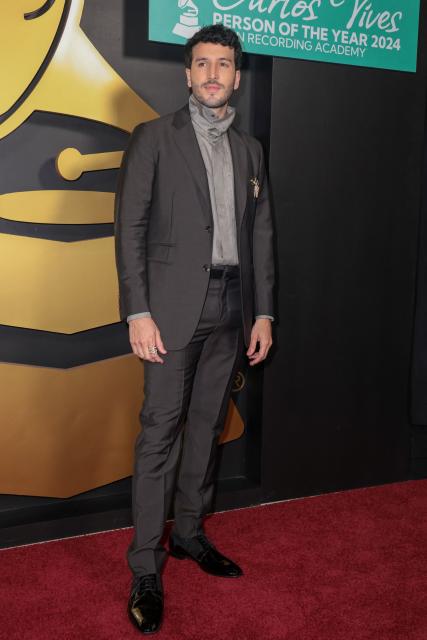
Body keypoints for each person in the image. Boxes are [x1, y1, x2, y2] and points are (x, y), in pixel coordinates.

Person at [114, 24, 275, 635]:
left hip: (234, 310)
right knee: (159, 437)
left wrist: (263, 311)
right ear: (187, 74)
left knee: (206, 431)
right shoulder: (153, 138)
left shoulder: (251, 149)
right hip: (171, 312)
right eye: (202, 64)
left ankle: (187, 535)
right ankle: (146, 568)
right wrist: (138, 312)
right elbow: (129, 231)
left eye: (224, 65)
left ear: (237, 75)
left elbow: (262, 236)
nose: (213, 74)